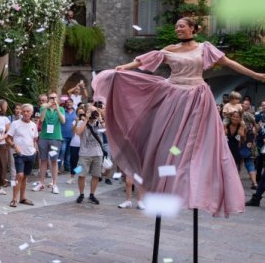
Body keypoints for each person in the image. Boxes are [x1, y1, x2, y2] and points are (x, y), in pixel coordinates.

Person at [94, 17, 265, 216]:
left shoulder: (205, 48)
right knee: (167, 140)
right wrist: (125, 67)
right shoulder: (170, 49)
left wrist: (257, 75)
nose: (178, 29)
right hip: (173, 95)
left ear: (193, 29)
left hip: (197, 96)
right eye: (176, 27)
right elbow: (144, 60)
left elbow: (229, 62)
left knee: (195, 142)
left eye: (182, 26)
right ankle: (162, 177)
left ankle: (193, 183)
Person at [33, 91, 65, 194]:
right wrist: (46, 107)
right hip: (44, 137)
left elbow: (63, 121)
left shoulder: (61, 109)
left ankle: (54, 184)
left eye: (54, 98)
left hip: (56, 138)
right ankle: (41, 183)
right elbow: (41, 119)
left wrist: (57, 108)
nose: (52, 100)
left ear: (57, 99)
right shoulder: (43, 108)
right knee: (43, 160)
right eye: (51, 98)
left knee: (54, 161)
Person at [7, 104, 38, 208]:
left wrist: (35, 150)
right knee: (19, 175)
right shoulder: (15, 124)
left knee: (25, 176)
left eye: (28, 111)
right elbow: (8, 138)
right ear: (21, 112)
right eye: (24, 111)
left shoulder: (33, 125)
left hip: (30, 154)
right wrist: (14, 146)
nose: (25, 113)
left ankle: (22, 198)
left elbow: (34, 139)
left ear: (31, 113)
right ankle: (14, 199)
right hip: (19, 154)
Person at [74, 104, 105, 205]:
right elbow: (78, 132)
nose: (93, 113)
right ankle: (81, 194)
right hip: (84, 154)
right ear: (86, 112)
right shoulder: (82, 122)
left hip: (98, 154)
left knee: (96, 175)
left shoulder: (99, 123)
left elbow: (107, 132)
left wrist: (100, 119)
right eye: (90, 111)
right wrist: (86, 119)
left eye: (94, 111)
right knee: (81, 175)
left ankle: (92, 195)